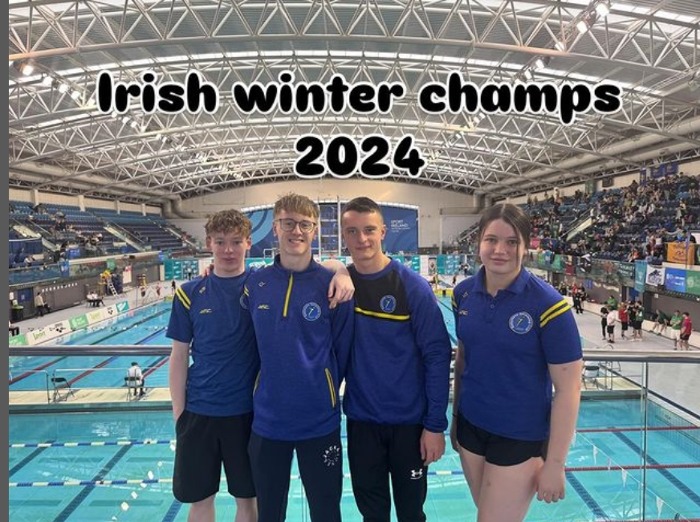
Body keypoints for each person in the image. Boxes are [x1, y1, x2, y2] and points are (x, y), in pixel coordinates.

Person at [450, 203, 583, 521]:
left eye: (512, 242)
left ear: (525, 247)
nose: (500, 250)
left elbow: (569, 389)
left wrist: (555, 464)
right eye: (491, 239)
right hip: (470, 428)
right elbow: (464, 358)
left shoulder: (549, 306)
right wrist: (455, 419)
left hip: (519, 436)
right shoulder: (463, 294)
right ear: (478, 242)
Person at [243, 194, 355, 522]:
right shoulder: (256, 283)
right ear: (275, 228)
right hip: (268, 422)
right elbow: (248, 346)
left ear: (315, 230)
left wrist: (325, 388)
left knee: (326, 513)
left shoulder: (333, 286)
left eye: (305, 224)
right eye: (288, 223)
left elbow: (343, 349)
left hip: (319, 421)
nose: (297, 231)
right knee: (269, 514)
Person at [340, 197, 452, 522]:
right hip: (362, 423)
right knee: (372, 515)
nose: (362, 239)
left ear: (383, 232)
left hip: (408, 425)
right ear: (343, 236)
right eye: (352, 231)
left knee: (411, 513)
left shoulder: (411, 287)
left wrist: (434, 425)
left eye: (369, 230)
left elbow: (437, 355)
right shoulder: (342, 286)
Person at [166, 209, 260, 522]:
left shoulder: (262, 286)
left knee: (248, 501)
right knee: (200, 501)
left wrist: (340, 273)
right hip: (198, 413)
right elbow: (179, 356)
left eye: (236, 241)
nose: (228, 250)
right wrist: (179, 413)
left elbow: (316, 269)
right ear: (209, 243)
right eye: (220, 242)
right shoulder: (189, 293)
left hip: (248, 415)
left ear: (249, 243)